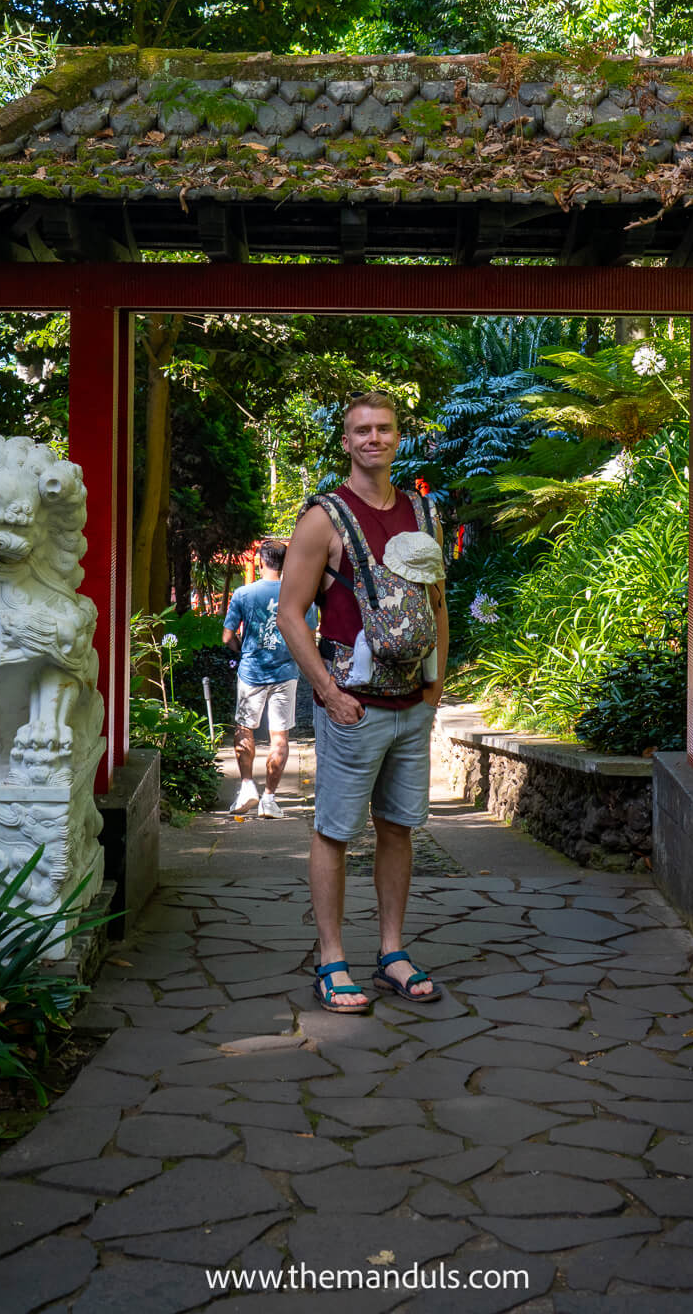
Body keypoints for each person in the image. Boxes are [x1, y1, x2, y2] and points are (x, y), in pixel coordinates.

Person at [278, 390, 447, 1014]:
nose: (373, 438)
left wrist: (436, 687)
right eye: (361, 431)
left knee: (398, 830)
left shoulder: (424, 515)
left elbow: (437, 604)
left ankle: (393, 953)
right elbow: (290, 613)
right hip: (352, 706)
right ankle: (331, 959)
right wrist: (326, 692)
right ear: (345, 441)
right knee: (335, 832)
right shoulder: (325, 518)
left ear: (398, 436)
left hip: (411, 706)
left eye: (384, 428)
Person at [223, 539, 315, 818]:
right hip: (285, 673)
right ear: (285, 564)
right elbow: (308, 637)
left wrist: (244, 652)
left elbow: (227, 636)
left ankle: (247, 786)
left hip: (251, 672)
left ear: (260, 562)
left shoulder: (243, 593)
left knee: (244, 728)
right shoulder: (300, 594)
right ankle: (270, 800)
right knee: (279, 738)